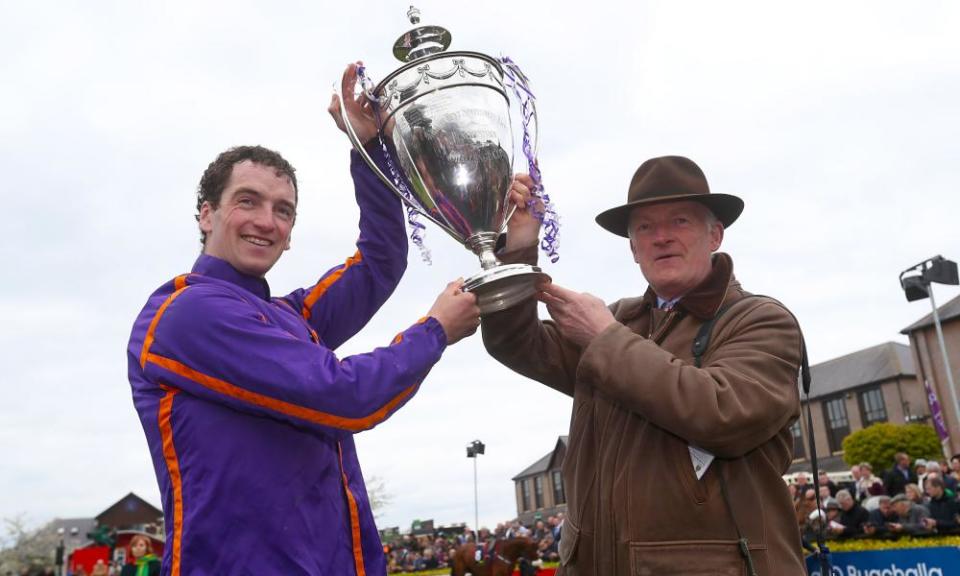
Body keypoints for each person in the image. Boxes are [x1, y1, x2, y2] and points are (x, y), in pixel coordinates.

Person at [126, 64, 481, 574]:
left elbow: (380, 261)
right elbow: (345, 396)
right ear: (206, 214)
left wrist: (368, 147)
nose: (266, 221)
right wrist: (435, 331)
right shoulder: (184, 313)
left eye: (283, 210)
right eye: (247, 202)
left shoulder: (289, 317)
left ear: (291, 232)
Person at [482, 156, 805, 574]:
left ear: (716, 235)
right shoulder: (618, 321)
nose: (661, 237)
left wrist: (603, 338)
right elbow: (515, 342)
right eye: (645, 228)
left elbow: (723, 415)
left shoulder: (761, 319)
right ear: (634, 249)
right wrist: (520, 249)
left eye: (681, 221)